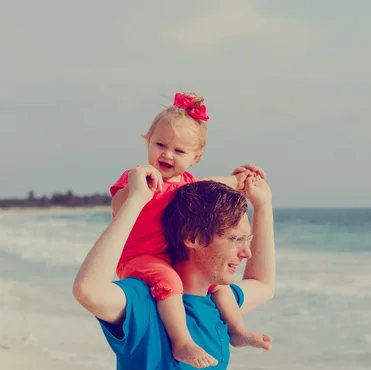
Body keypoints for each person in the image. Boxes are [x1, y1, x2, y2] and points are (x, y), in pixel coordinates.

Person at [107, 91, 270, 368]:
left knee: (218, 286)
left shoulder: (186, 183)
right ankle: (181, 341)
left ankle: (236, 328)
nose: (167, 154)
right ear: (147, 141)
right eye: (160, 144)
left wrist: (239, 180)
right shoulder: (141, 177)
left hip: (169, 253)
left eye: (179, 151)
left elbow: (210, 181)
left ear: (196, 157)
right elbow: (118, 202)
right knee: (168, 281)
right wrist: (136, 192)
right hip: (140, 257)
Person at [72, 166, 275, 369]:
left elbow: (262, 284)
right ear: (193, 238)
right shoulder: (144, 301)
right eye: (236, 239)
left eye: (246, 239)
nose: (246, 253)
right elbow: (88, 290)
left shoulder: (221, 303)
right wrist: (135, 200)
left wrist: (263, 205)